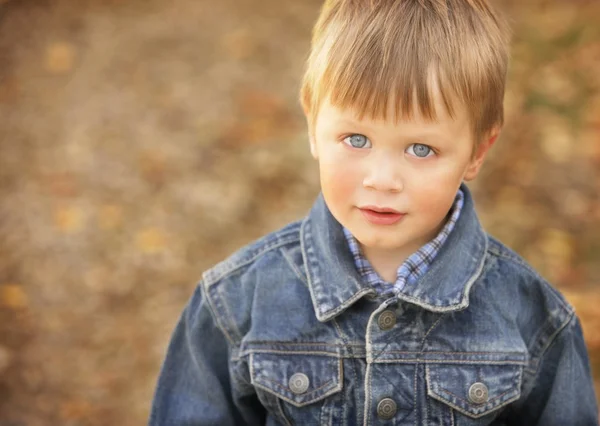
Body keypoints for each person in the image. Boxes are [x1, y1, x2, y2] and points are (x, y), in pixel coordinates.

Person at [148, 0, 599, 424]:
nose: (382, 179)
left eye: (421, 148)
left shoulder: (534, 320)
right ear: (312, 122)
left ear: (478, 151)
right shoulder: (235, 303)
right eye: (356, 140)